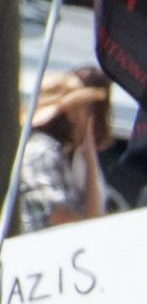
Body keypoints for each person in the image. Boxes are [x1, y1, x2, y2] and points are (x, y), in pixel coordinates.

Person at [11, 71, 107, 235]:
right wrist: (99, 232)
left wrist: (90, 156)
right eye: (84, 108)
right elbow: (56, 215)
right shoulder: (42, 151)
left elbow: (94, 214)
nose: (89, 116)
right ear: (70, 113)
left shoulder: (56, 151)